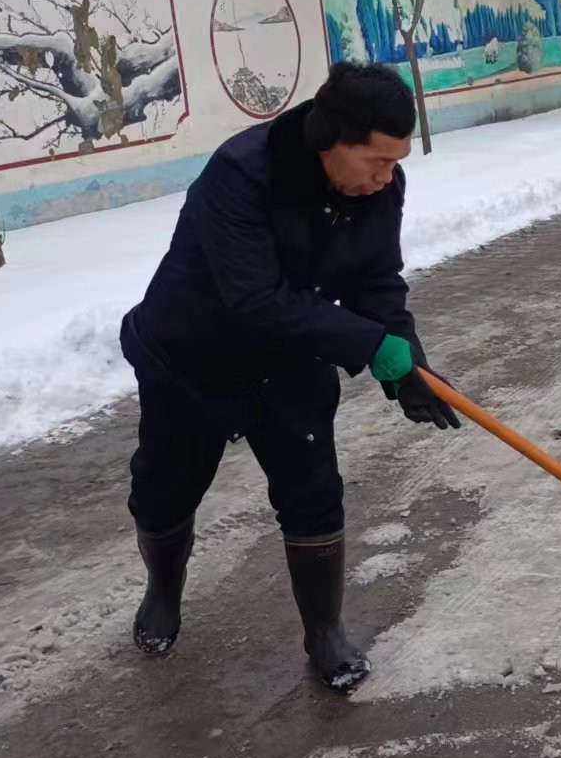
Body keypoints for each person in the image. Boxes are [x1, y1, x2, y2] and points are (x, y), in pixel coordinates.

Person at [119, 63, 459, 694]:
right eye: (377, 162)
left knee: (313, 493)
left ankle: (323, 632)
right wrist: (367, 345)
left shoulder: (379, 187)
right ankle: (163, 590)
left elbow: (377, 279)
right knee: (166, 491)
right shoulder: (243, 173)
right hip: (192, 356)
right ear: (330, 139)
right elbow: (256, 299)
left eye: (396, 163)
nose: (388, 177)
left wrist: (407, 361)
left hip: (291, 359)